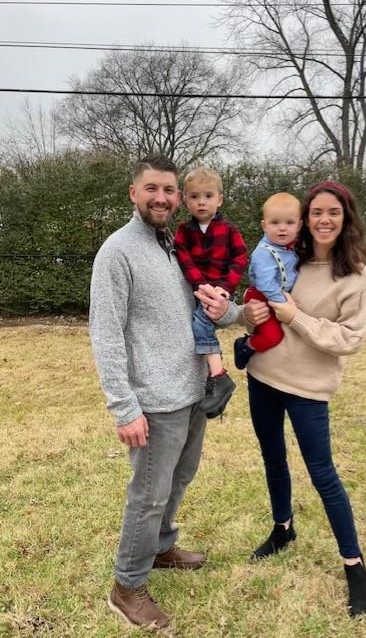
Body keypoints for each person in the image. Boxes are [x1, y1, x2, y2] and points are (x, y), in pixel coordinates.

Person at [89, 154, 267, 632]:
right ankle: (127, 586)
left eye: (169, 190)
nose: (162, 198)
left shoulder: (176, 243)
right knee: (148, 494)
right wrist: (124, 407)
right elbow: (106, 334)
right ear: (134, 193)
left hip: (193, 391)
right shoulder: (117, 252)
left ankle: (162, 546)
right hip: (153, 400)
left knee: (179, 479)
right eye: (152, 188)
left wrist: (237, 314)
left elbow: (200, 308)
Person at [245, 181, 366, 617]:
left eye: (333, 212)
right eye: (316, 212)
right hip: (264, 376)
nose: (324, 219)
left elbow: (351, 339)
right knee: (273, 458)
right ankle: (283, 528)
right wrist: (250, 314)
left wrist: (296, 317)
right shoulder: (285, 256)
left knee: (323, 474)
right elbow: (257, 303)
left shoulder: (354, 275)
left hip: (308, 390)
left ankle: (354, 564)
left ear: (345, 218)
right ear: (305, 219)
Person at [174, 167, 248, 418]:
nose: (201, 202)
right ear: (186, 200)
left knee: (200, 323)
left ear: (220, 199)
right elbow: (185, 260)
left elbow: (240, 258)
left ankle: (219, 376)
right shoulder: (184, 231)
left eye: (208, 196)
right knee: (197, 325)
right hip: (199, 290)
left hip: (221, 291)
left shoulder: (229, 230)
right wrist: (199, 284)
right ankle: (212, 378)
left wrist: (225, 288)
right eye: (195, 197)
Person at [234, 192, 302, 369]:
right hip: (262, 297)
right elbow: (266, 284)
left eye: (289, 223)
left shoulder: (292, 247)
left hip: (278, 296)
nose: (282, 228)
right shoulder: (264, 253)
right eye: (275, 223)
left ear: (299, 225)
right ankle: (246, 346)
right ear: (264, 225)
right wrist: (284, 304)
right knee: (272, 337)